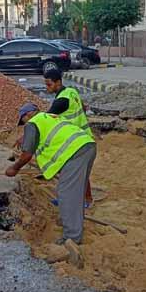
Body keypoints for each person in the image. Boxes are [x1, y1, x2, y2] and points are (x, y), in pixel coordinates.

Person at [7, 103, 96, 248]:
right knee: (75, 191)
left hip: (75, 152)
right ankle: (73, 223)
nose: (24, 125)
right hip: (87, 145)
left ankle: (72, 237)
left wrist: (14, 168)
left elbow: (27, 154)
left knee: (66, 193)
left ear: (28, 115)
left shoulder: (32, 123)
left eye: (23, 121)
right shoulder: (49, 117)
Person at [43, 69, 94, 208]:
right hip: (80, 137)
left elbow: (44, 120)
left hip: (77, 142)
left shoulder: (61, 101)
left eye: (49, 84)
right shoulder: (71, 91)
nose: (47, 88)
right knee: (71, 171)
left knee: (77, 172)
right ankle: (71, 198)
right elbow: (82, 107)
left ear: (58, 82)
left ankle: (86, 200)